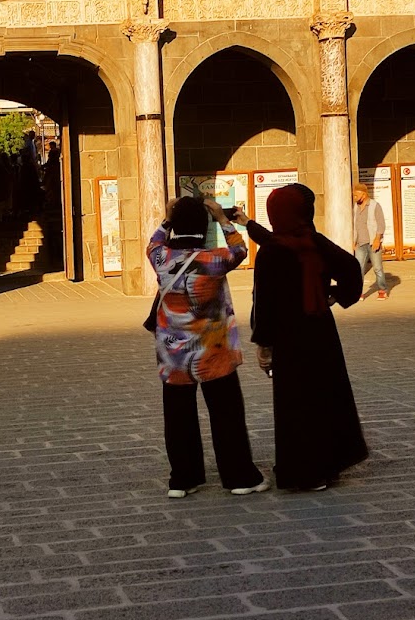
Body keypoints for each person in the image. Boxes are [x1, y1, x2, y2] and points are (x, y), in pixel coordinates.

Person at [148, 195, 268, 499]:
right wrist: (223, 219)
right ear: (204, 227)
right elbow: (240, 249)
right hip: (213, 351)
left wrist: (167, 217)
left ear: (175, 227)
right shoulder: (215, 260)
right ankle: (239, 476)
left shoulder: (161, 258)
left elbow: (154, 241)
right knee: (226, 413)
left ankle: (183, 479)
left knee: (177, 415)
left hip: (173, 353)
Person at [250, 184, 368, 491]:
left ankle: (305, 473)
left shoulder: (271, 252)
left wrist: (263, 345)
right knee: (325, 396)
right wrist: (334, 295)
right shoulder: (314, 242)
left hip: (289, 337)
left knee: (296, 404)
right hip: (320, 331)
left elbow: (264, 303)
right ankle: (329, 465)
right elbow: (351, 269)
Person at [353, 183, 388, 300]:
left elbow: (381, 224)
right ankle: (359, 292)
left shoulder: (375, 206)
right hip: (360, 243)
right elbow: (354, 225)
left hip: (373, 242)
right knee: (359, 269)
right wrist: (354, 241)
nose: (355, 197)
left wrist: (378, 239)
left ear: (363, 194)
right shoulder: (355, 207)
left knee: (377, 268)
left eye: (356, 195)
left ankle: (382, 290)